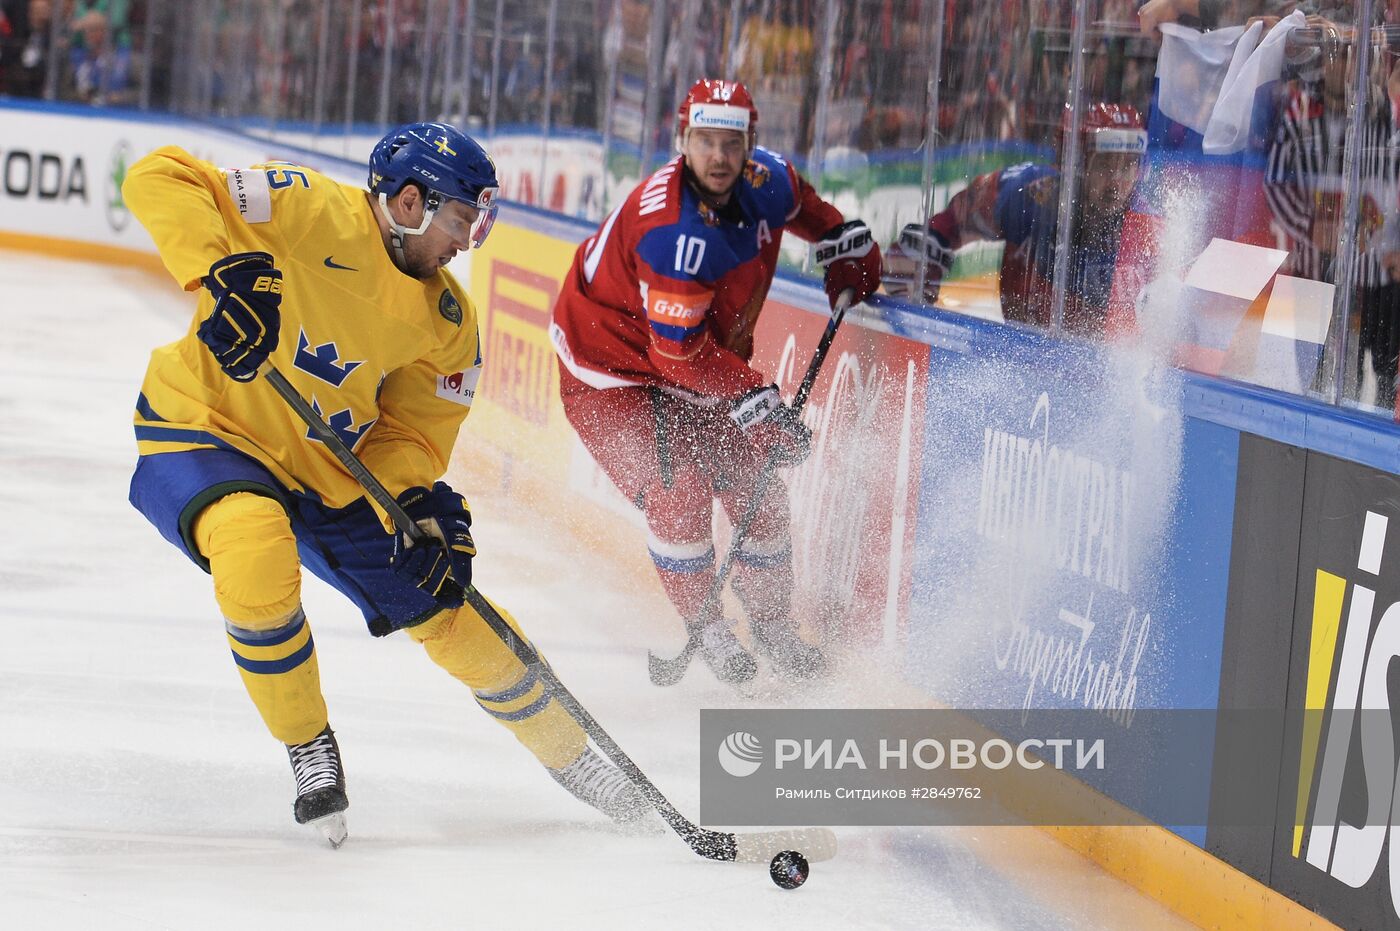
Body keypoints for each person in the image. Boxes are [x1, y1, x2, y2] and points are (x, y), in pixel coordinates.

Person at [123, 122, 647, 845]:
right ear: (409, 202)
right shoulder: (305, 205)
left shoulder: (449, 324)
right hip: (209, 427)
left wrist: (412, 498)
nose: (467, 240)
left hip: (329, 474)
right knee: (254, 551)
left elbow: (410, 435)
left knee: (452, 607)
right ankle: (308, 744)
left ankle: (576, 756)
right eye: (463, 219)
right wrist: (221, 270)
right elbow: (160, 175)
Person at [549, 78, 882, 684]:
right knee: (680, 491)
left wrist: (840, 241)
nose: (720, 157)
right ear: (683, 142)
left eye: (732, 142)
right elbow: (678, 357)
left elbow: (811, 213)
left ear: (751, 143)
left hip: (690, 362)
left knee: (759, 486)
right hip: (611, 371)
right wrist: (757, 397)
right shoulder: (673, 235)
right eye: (705, 141)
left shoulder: (769, 180)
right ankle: (709, 630)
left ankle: (775, 628)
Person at [881, 102, 1147, 335]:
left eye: (1127, 166)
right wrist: (918, 266)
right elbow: (946, 227)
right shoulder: (1026, 195)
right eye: (1103, 165)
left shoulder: (1148, 234)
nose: (1115, 181)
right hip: (1017, 365)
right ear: (1075, 165)